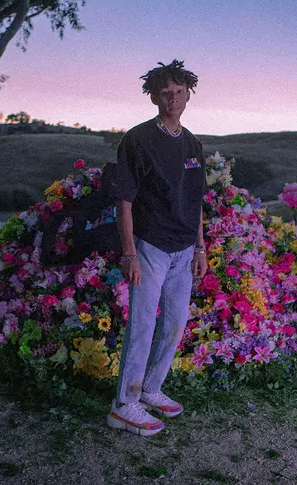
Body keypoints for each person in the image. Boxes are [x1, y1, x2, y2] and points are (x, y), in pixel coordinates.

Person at [107, 60, 208, 436]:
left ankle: (150, 389)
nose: (173, 98)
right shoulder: (137, 140)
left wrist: (200, 248)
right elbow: (124, 200)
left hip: (184, 250)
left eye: (180, 91)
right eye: (166, 92)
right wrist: (129, 253)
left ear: (188, 95)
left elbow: (196, 200)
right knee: (143, 324)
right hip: (150, 247)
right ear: (153, 96)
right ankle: (123, 405)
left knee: (175, 324)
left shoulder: (192, 143)